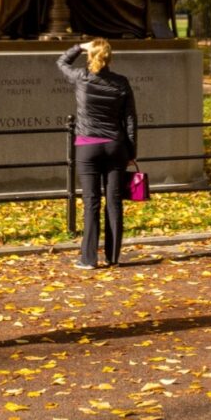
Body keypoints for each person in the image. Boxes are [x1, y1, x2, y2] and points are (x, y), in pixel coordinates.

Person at [56, 38, 138, 270]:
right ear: (110, 57)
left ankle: (88, 258)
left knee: (91, 201)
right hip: (115, 147)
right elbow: (130, 120)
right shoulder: (121, 83)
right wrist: (131, 151)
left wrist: (79, 47)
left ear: (90, 56)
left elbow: (61, 62)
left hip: (87, 146)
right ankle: (113, 256)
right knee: (114, 202)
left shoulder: (82, 78)